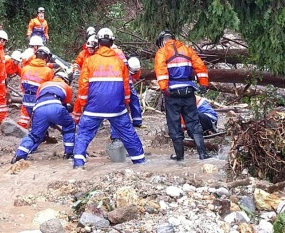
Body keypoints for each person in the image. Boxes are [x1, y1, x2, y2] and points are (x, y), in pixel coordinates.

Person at [72, 28, 145, 169]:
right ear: (112, 43)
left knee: (84, 134)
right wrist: (126, 104)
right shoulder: (120, 63)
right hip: (116, 108)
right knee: (129, 134)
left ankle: (78, 165)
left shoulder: (90, 61)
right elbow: (126, 88)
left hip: (94, 107)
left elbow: (83, 86)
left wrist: (83, 105)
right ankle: (140, 163)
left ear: (98, 43)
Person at [154, 30, 211, 160]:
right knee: (193, 122)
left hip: (172, 92)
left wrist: (164, 88)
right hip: (188, 91)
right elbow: (200, 67)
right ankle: (203, 154)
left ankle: (179, 157)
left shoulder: (162, 52)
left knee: (174, 124)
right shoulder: (187, 49)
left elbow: (160, 70)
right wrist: (203, 84)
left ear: (162, 41)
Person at [12, 71, 76, 163]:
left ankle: (19, 155)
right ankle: (69, 153)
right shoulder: (66, 87)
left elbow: (40, 99)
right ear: (65, 80)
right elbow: (65, 105)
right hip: (56, 107)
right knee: (69, 126)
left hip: (38, 109)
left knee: (34, 135)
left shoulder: (43, 85)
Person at [17, 47, 55, 129]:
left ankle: (19, 132)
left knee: (23, 118)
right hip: (39, 99)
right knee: (39, 121)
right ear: (47, 58)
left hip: (26, 97)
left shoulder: (25, 68)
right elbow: (49, 88)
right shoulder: (48, 71)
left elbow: (22, 84)